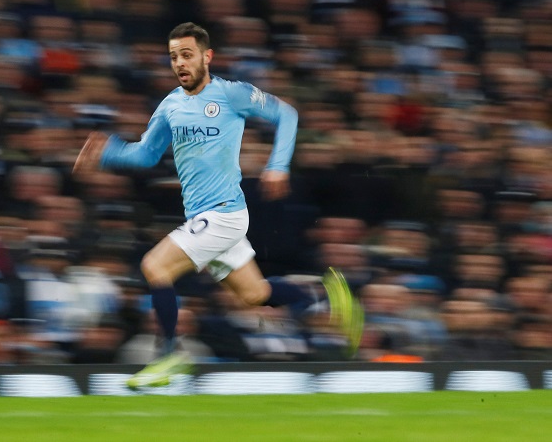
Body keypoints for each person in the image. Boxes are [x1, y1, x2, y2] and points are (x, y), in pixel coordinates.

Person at [74, 22, 362, 389]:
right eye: (174, 56)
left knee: (154, 266)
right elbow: (146, 155)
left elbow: (286, 114)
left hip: (224, 213)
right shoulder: (170, 106)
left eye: (187, 55)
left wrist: (277, 166)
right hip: (203, 218)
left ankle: (168, 357)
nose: (180, 63)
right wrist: (108, 152)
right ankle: (326, 293)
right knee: (255, 294)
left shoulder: (232, 94)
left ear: (207, 57)